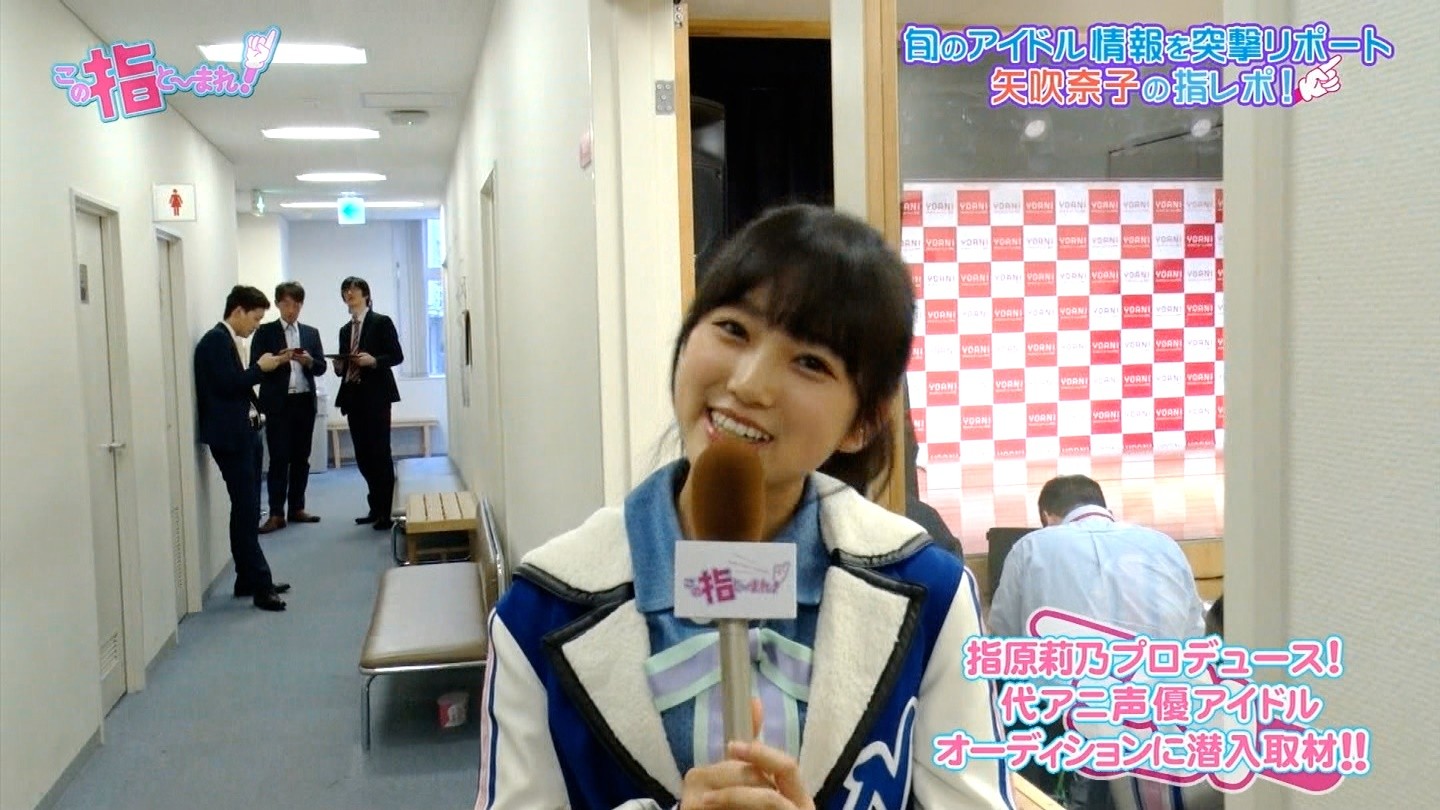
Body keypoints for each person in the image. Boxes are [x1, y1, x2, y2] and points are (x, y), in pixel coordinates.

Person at [475, 205, 1011, 809]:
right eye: (733, 329)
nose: (750, 384)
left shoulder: (929, 593)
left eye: (810, 362)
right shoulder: (543, 608)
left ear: (861, 423)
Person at [988, 474, 1206, 810]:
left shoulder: (1032, 547)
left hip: (1067, 729)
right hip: (1164, 723)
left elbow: (1003, 644)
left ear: (1047, 515)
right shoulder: (1164, 545)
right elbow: (1195, 640)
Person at [194, 285, 292, 612]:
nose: (256, 326)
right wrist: (260, 369)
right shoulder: (214, 341)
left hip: (244, 433)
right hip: (230, 438)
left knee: (246, 509)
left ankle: (246, 578)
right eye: (255, 318)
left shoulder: (227, 340)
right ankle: (261, 584)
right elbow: (228, 386)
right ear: (238, 311)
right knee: (246, 509)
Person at [252, 281, 325, 533]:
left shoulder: (311, 333)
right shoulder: (265, 332)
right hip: (278, 404)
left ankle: (297, 507)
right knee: (279, 458)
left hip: (304, 401)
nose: (291, 310)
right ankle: (276, 513)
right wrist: (279, 360)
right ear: (277, 304)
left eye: (296, 305)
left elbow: (321, 367)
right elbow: (256, 367)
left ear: (301, 305)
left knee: (301, 458)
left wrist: (309, 361)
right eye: (286, 304)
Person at [331, 276, 403, 531]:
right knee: (362, 455)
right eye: (345, 291)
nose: (349, 294)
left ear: (365, 295)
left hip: (377, 396)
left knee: (379, 453)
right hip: (353, 396)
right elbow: (343, 367)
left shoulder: (381, 322)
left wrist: (373, 361)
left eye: (353, 290)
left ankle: (386, 510)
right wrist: (338, 367)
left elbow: (396, 356)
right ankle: (375, 506)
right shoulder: (345, 330)